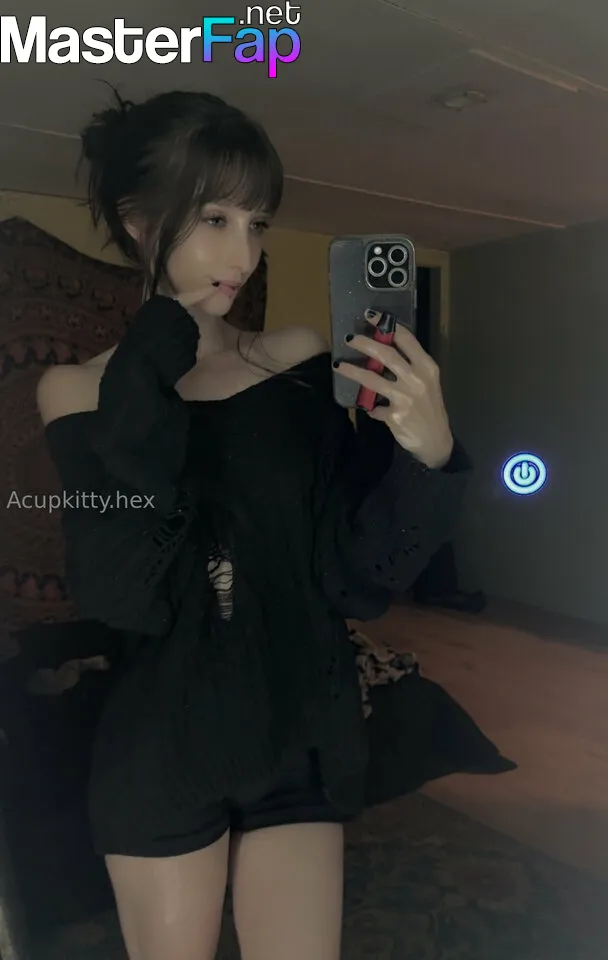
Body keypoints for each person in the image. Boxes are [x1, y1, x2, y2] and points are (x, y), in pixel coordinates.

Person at [36, 89, 472, 960]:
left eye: (257, 222)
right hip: (164, 745)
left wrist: (429, 456)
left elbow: (358, 576)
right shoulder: (79, 392)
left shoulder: (299, 361)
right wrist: (153, 359)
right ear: (139, 223)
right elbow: (124, 593)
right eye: (215, 218)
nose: (244, 254)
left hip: (298, 731)